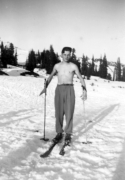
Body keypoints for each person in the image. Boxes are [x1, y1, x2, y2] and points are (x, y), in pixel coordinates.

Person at [39, 47, 87, 145]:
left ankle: (68, 134)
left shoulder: (73, 66)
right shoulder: (57, 66)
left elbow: (81, 78)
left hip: (70, 89)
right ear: (61, 54)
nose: (66, 56)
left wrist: (85, 90)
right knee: (59, 113)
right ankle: (59, 133)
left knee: (69, 112)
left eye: (68, 54)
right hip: (59, 89)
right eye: (64, 54)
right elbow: (51, 76)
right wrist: (45, 87)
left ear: (71, 55)